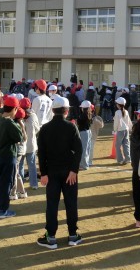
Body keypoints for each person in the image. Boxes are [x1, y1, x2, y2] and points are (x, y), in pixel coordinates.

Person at [36, 96, 83, 249]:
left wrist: (43, 173)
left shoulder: (45, 128)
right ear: (66, 111)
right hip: (69, 172)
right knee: (71, 203)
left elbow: (41, 153)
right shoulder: (71, 127)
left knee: (52, 204)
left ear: (52, 110)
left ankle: (51, 237)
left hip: (51, 172)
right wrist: (74, 170)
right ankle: (73, 235)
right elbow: (78, 150)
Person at [0, 95, 23, 218]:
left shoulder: (0, 119)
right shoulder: (9, 122)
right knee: (6, 183)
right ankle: (3, 210)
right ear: (14, 109)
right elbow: (20, 137)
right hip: (9, 155)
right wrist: (19, 124)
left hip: (0, 155)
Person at [113, 97, 132, 164]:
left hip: (120, 130)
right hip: (126, 130)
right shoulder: (126, 111)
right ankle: (128, 159)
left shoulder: (117, 112)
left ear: (118, 105)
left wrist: (114, 130)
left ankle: (120, 160)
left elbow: (116, 122)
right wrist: (130, 128)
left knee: (118, 145)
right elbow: (129, 122)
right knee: (126, 144)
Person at [77, 100, 92, 170]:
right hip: (88, 131)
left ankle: (84, 165)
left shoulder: (83, 115)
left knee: (83, 149)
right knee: (87, 148)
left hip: (83, 132)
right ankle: (87, 163)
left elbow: (79, 123)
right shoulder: (90, 113)